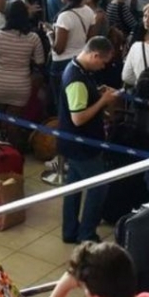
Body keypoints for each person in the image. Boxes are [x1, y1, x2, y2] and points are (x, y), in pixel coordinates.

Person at [58, 37, 120, 243]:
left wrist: (96, 94)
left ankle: (70, 231)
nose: (103, 67)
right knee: (99, 187)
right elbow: (78, 118)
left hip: (73, 142)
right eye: (103, 62)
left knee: (73, 188)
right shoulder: (76, 79)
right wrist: (103, 101)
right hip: (82, 145)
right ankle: (86, 234)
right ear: (94, 55)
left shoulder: (78, 69)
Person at [0, 0, 45, 111]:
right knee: (14, 118)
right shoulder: (33, 38)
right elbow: (40, 61)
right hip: (21, 86)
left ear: (7, 16)